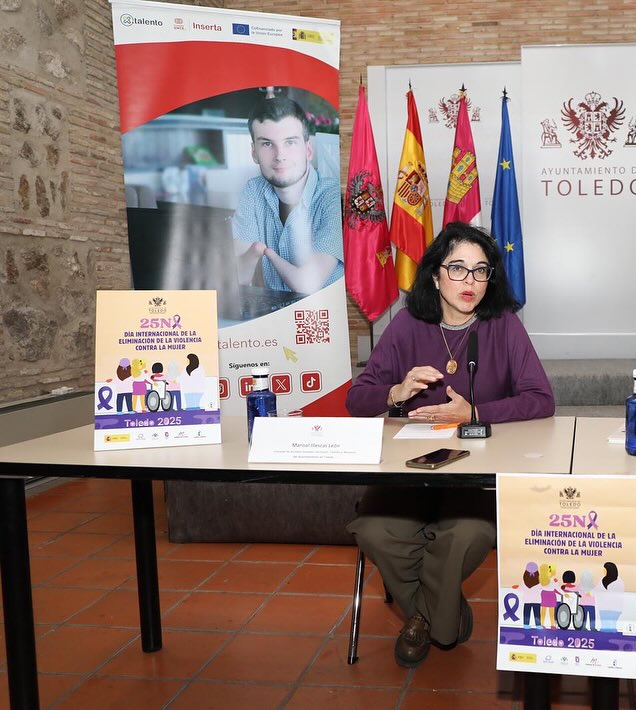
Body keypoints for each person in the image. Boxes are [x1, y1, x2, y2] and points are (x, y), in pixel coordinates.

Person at [345, 222, 555, 668]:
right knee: (372, 529)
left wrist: (475, 414)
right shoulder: (407, 325)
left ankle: (421, 620)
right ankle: (444, 615)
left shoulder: (503, 326)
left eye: (481, 271)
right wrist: (394, 394)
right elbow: (357, 399)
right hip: (408, 472)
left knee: (467, 533)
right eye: (458, 269)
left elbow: (542, 399)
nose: (470, 282)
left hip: (476, 472)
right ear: (436, 275)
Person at [231, 97, 343, 294]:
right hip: (275, 316)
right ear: (254, 153)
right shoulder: (253, 191)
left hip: (323, 318)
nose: (279, 155)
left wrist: (265, 252)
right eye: (267, 144)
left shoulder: (332, 196)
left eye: (290, 142)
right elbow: (239, 276)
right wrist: (254, 252)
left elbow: (307, 284)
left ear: (308, 150)